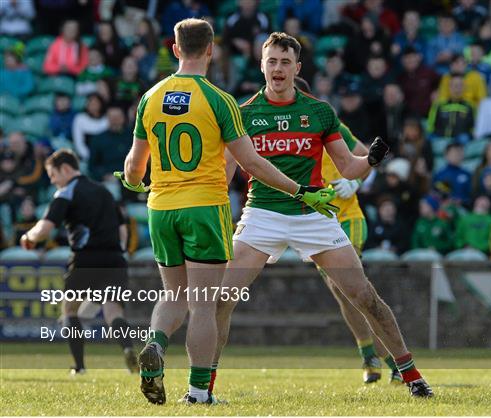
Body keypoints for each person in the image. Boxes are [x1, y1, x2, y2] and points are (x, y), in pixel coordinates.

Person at [115, 18, 337, 406]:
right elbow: (251, 163)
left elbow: (134, 167)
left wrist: (134, 182)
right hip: (204, 207)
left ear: (175, 49)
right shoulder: (220, 100)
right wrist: (300, 190)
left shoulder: (150, 97)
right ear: (212, 50)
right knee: (203, 302)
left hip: (161, 207)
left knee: (173, 293)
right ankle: (199, 393)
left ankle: (155, 343)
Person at [212, 32, 432, 398]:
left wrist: (371, 161)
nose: (278, 68)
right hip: (262, 213)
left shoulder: (319, 112)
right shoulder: (243, 114)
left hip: (312, 215)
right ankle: (205, 386)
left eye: (285, 62)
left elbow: (348, 166)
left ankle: (411, 375)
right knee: (221, 299)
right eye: (272, 61)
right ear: (262, 65)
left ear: (297, 68)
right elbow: (225, 174)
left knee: (365, 296)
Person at [295, 76, 402, 384]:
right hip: (315, 224)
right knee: (343, 294)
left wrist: (355, 180)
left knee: (351, 287)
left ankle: (388, 359)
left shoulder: (330, 124)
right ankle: (371, 353)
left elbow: (367, 156)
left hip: (347, 217)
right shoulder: (282, 135)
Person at [19, 149, 138, 374]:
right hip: (115, 258)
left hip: (85, 259)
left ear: (65, 169)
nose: (53, 182)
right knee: (114, 313)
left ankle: (80, 367)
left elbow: (45, 228)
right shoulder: (105, 192)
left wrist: (28, 237)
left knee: (70, 311)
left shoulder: (66, 192)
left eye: (53, 176)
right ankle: (127, 350)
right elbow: (122, 228)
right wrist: (119, 251)